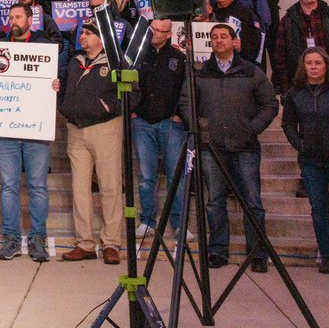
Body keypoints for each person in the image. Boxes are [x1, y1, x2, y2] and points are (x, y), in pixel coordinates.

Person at [180, 23, 278, 272]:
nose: (219, 40)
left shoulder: (251, 71)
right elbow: (186, 102)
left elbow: (269, 104)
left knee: (252, 202)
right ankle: (217, 250)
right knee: (214, 201)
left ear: (234, 41)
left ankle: (257, 253)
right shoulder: (200, 71)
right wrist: (199, 127)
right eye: (214, 37)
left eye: (224, 36)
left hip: (244, 146)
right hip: (211, 147)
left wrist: (252, 127)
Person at [0, 3, 62, 263]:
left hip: (35, 128)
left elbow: (56, 76)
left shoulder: (43, 47)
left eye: (18, 16)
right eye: (10, 16)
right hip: (6, 127)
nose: (13, 20)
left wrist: (55, 82)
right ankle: (11, 238)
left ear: (30, 19)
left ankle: (38, 237)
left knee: (38, 186)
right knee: (8, 186)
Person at [281, 47, 329, 276]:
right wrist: (300, 144)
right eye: (309, 63)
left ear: (326, 65)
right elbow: (288, 124)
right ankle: (326, 255)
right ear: (303, 67)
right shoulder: (296, 93)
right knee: (319, 209)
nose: (313, 67)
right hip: (311, 160)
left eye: (317, 63)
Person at [58, 21, 124, 264]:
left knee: (109, 186)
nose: (82, 37)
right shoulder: (75, 62)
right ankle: (85, 242)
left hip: (105, 128)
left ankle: (111, 243)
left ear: (100, 37)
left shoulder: (115, 61)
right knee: (80, 188)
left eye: (87, 33)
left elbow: (132, 92)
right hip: (76, 129)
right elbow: (64, 88)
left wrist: (109, 107)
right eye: (81, 33)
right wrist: (63, 104)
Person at [130, 20, 187, 241]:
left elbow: (186, 90)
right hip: (142, 121)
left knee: (176, 176)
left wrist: (181, 115)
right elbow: (129, 86)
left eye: (160, 30)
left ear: (169, 33)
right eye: (152, 29)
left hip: (170, 122)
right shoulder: (137, 57)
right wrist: (133, 111)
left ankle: (179, 223)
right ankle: (148, 221)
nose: (154, 34)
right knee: (146, 176)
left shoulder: (178, 58)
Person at [209, 0, 263, 65]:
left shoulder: (244, 11)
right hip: (214, 59)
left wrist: (243, 47)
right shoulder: (211, 11)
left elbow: (255, 36)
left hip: (239, 60)